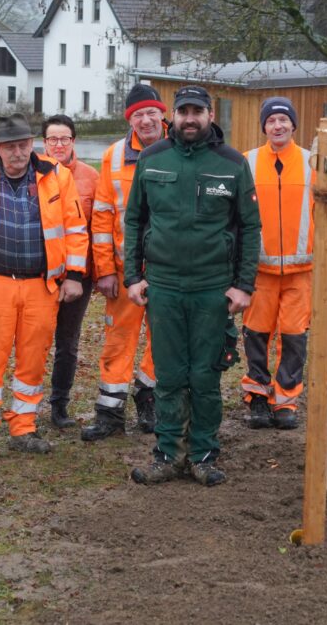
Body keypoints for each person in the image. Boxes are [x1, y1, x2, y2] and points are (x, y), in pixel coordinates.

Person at [126, 87, 260, 487]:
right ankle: (167, 454)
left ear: (209, 113)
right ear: (174, 115)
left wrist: (243, 285)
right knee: (168, 375)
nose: (189, 118)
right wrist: (133, 275)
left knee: (204, 376)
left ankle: (203, 454)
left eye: (196, 111)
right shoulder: (151, 159)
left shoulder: (232, 163)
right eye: (182, 111)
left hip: (211, 287)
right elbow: (134, 219)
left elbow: (250, 226)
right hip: (164, 286)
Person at [0, 113, 89, 464]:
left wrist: (74, 274)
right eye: (10, 146)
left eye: (24, 144)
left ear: (33, 144)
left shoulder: (57, 177)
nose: (18, 152)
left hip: (42, 285)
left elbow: (75, 228)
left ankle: (23, 427)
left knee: (33, 358)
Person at [82, 85, 166, 441]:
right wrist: (103, 270)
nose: (145, 120)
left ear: (163, 114)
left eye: (151, 113)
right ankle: (110, 412)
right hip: (123, 270)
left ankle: (150, 397)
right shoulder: (113, 156)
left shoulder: (182, 150)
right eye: (137, 115)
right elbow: (101, 216)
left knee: (165, 340)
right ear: (128, 119)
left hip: (169, 268)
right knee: (118, 340)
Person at [241, 97, 314, 431]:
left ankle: (286, 400)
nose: (278, 126)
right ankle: (257, 395)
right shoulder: (249, 163)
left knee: (294, 337)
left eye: (284, 120)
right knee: (256, 334)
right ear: (264, 127)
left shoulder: (313, 163)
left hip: (301, 273)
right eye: (271, 121)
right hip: (260, 271)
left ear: (293, 125)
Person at [40, 114, 99, 429]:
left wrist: (99, 272)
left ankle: (59, 404)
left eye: (64, 138)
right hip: (39, 273)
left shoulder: (91, 177)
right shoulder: (31, 173)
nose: (59, 144)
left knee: (67, 341)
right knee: (34, 340)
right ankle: (25, 405)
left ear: (73, 141)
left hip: (78, 276)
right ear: (44, 143)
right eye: (52, 139)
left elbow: (98, 228)